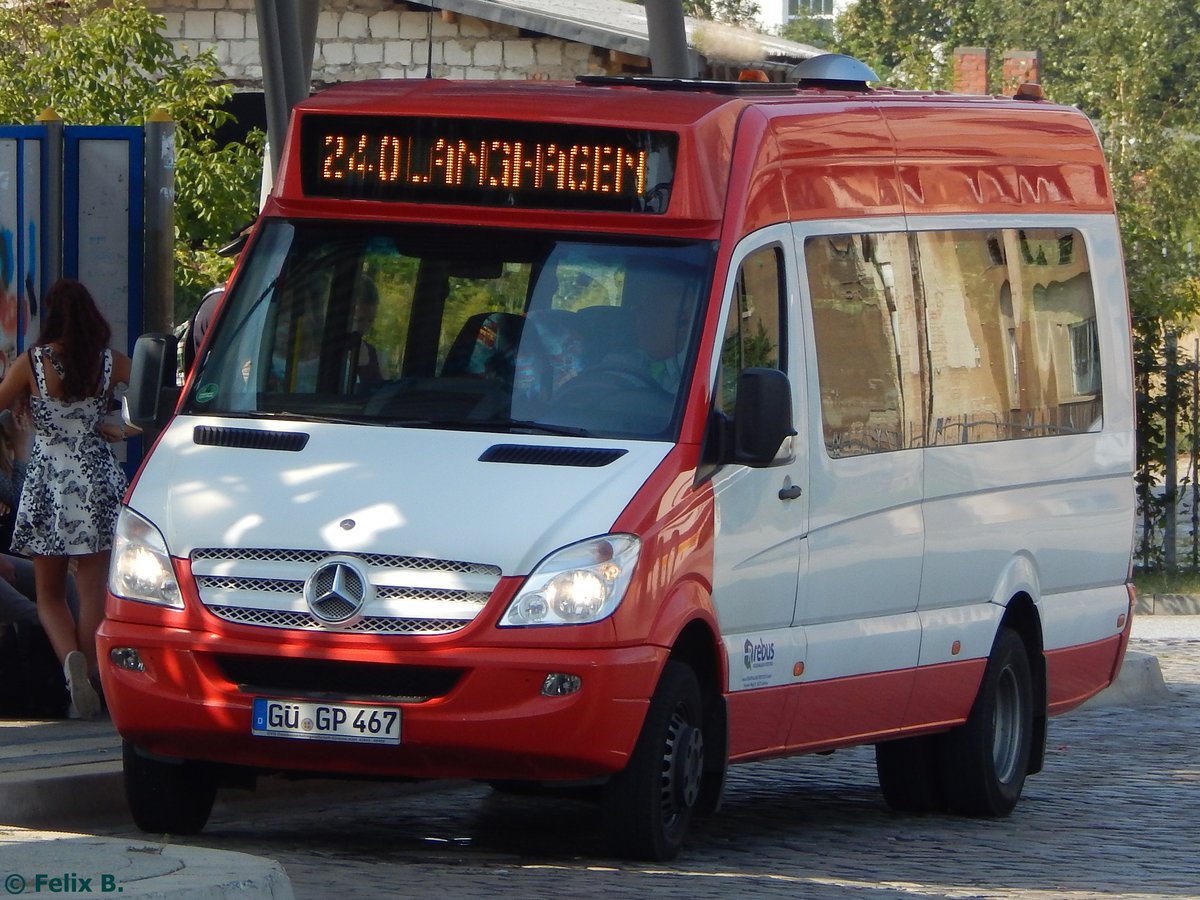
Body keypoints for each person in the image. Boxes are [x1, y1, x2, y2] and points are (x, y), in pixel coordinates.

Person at [0, 278, 132, 720]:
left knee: (50, 595)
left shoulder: (33, 362)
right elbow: (158, 400)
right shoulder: (109, 362)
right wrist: (121, 425)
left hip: (48, 481)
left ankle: (69, 663)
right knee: (92, 586)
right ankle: (93, 671)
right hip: (96, 477)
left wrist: (20, 400)